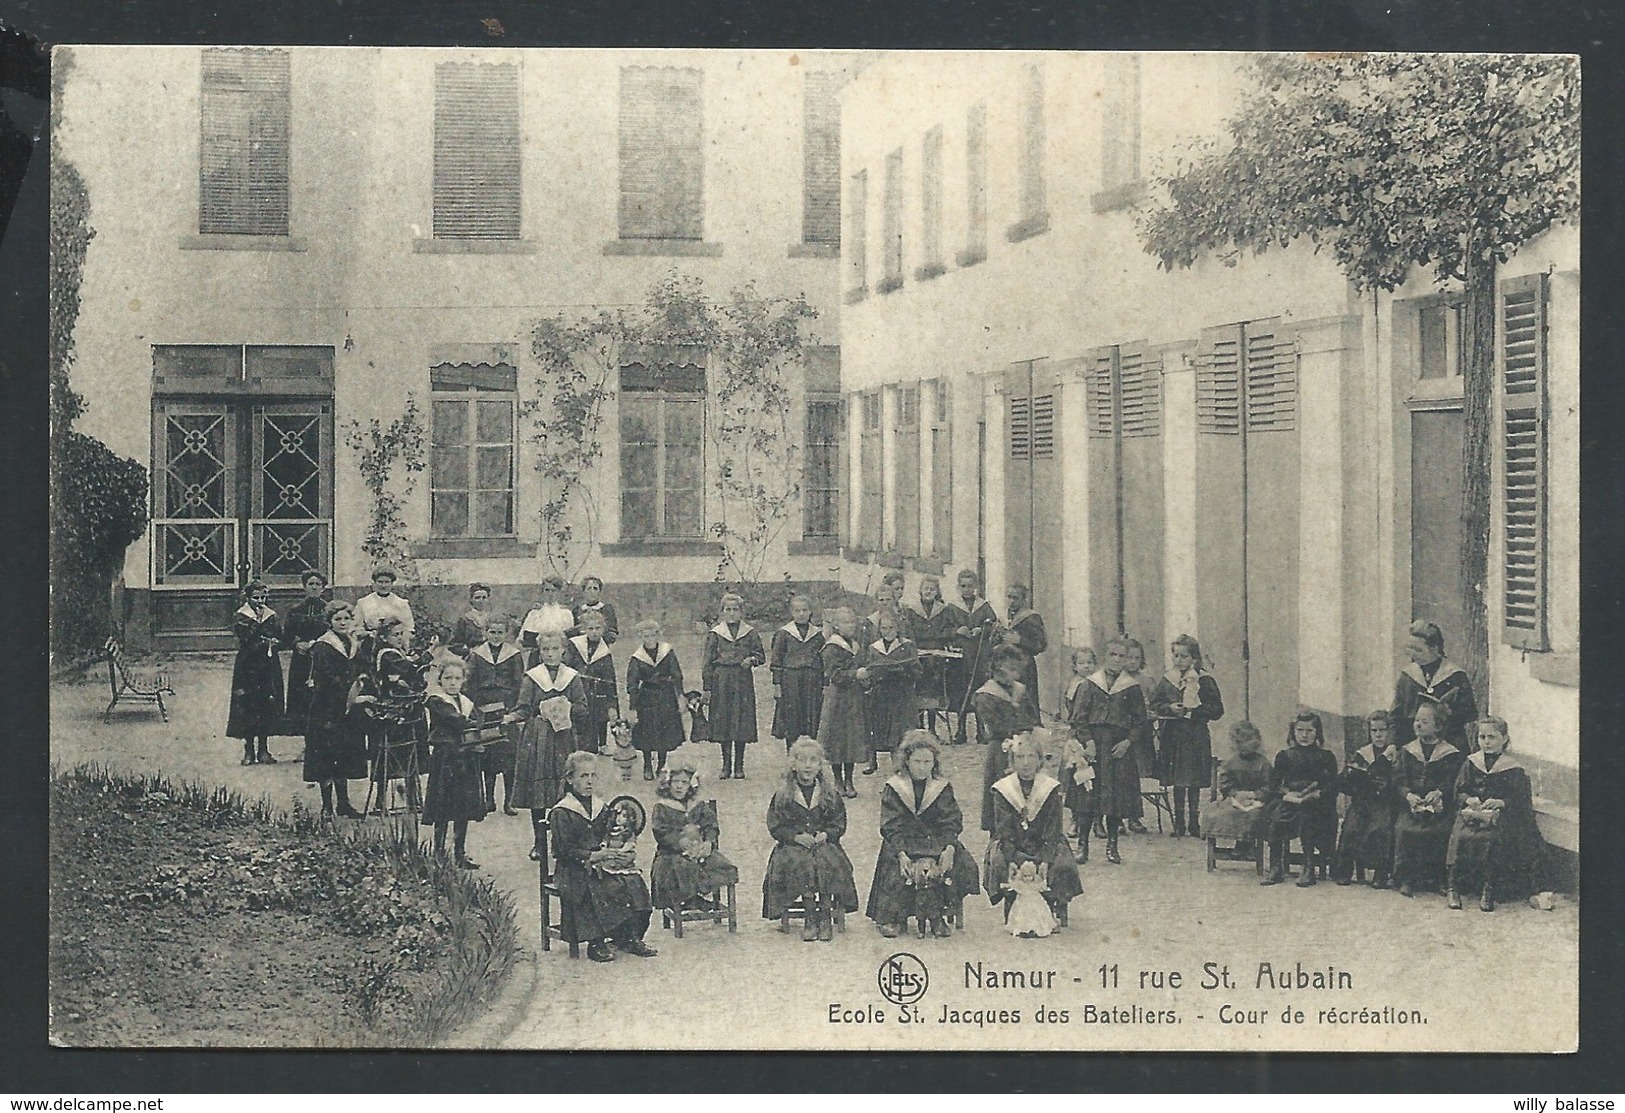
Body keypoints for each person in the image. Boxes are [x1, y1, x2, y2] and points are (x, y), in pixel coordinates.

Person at [866, 731, 980, 939]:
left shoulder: (941, 787)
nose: (922, 766)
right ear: (906, 761)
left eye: (927, 761)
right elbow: (891, 825)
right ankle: (895, 917)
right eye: (917, 761)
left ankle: (938, 914)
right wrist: (901, 852)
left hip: (935, 841)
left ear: (934, 763)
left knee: (957, 864)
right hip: (905, 842)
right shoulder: (895, 787)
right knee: (895, 866)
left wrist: (949, 847)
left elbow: (951, 820)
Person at [550, 751, 658, 963]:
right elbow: (563, 850)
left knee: (633, 881)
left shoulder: (600, 807)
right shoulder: (562, 811)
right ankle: (596, 941)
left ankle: (629, 936)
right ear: (570, 779)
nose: (589, 781)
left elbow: (612, 832)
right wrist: (593, 856)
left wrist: (621, 843)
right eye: (583, 776)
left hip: (602, 862)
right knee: (597, 886)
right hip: (573, 867)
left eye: (592, 775)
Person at [763, 737, 859, 942]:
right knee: (801, 862)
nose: (807, 765)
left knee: (828, 861)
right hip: (792, 846)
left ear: (820, 765)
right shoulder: (783, 795)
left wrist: (826, 834)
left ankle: (824, 913)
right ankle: (809, 914)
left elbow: (839, 823)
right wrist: (795, 837)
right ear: (793, 764)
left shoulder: (830, 794)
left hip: (823, 843)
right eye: (802, 760)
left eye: (813, 760)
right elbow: (775, 825)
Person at [984, 730, 1083, 931]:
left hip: (1044, 841)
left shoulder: (1050, 788)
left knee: (1062, 863)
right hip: (1013, 842)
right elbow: (1003, 828)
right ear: (1012, 761)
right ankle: (1012, 902)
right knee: (999, 862)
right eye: (1020, 757)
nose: (1026, 763)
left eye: (1031, 757)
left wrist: (1045, 858)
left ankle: (1055, 902)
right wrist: (1011, 858)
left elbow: (1054, 827)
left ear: (1039, 760)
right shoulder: (1003, 790)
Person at [1446, 716, 1543, 912]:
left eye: (1492, 737)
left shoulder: (1513, 768)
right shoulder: (1471, 763)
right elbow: (1459, 790)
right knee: (1459, 834)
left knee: (1492, 839)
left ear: (1504, 739)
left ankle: (1488, 888)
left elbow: (1522, 800)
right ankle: (1452, 887)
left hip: (1501, 817)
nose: (1486, 742)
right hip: (1471, 813)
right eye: (1482, 737)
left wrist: (1501, 802)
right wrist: (1468, 799)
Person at [1067, 638, 1149, 864]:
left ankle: (1112, 846)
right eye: (1113, 654)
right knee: (1087, 797)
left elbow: (1141, 721)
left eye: (1121, 656)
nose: (1117, 659)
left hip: (1117, 748)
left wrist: (1128, 743)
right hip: (1093, 747)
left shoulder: (1131, 687)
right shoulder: (1089, 684)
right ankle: (1082, 846)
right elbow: (1079, 718)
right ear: (1105, 656)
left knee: (1116, 800)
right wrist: (1088, 742)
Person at [512, 630, 590, 867]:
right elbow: (524, 707)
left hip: (563, 739)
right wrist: (513, 716)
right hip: (539, 738)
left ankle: (563, 840)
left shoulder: (571, 677)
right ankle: (539, 842)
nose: (550, 654)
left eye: (555, 649)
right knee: (540, 791)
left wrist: (566, 707)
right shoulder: (532, 677)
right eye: (545, 649)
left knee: (564, 787)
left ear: (563, 651)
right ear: (539, 652)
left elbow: (583, 708)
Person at [354, 617, 436, 814]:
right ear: (384, 637)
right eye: (395, 635)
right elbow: (410, 669)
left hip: (407, 709)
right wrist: (429, 653)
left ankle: (413, 798)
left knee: (411, 753)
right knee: (391, 755)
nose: (400, 638)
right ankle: (381, 800)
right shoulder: (388, 654)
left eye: (402, 634)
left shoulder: (399, 652)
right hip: (393, 710)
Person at [1150, 635, 1224, 839]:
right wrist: (1170, 708)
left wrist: (1194, 711)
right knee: (1177, 781)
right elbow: (1154, 703)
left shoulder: (1204, 679)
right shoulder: (1168, 680)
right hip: (1172, 735)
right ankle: (1179, 823)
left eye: (1184, 656)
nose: (1179, 660)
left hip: (1194, 735)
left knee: (1192, 780)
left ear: (1194, 657)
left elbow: (1217, 709)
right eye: (1176, 655)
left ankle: (1194, 821)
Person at [1391, 702, 1467, 898]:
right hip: (1412, 804)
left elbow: (1453, 780)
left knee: (1441, 831)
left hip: (1440, 806)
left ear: (1438, 726)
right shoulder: (1407, 751)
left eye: (1424, 721)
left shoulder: (1450, 754)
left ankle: (1439, 878)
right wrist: (1408, 794)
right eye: (1416, 720)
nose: (1417, 724)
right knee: (1405, 829)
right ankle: (1407, 878)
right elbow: (1398, 779)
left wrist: (1440, 792)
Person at [650, 753, 739, 918]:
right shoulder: (662, 807)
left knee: (723, 866)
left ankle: (698, 898)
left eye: (684, 782)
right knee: (682, 867)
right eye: (675, 782)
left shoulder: (697, 805)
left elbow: (711, 825)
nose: (679, 787)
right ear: (668, 784)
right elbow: (660, 833)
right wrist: (680, 843)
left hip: (699, 850)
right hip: (671, 855)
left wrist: (709, 842)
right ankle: (691, 899)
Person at [1260, 711, 1341, 887]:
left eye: (1310, 731)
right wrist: (1287, 794)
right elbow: (1274, 784)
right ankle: (1275, 866)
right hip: (1290, 801)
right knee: (1275, 818)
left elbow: (1332, 786)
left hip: (1315, 803)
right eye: (1300, 730)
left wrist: (1316, 794)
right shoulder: (1285, 756)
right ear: (1293, 732)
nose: (1304, 735)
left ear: (1317, 733)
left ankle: (1308, 865)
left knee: (1307, 818)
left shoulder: (1326, 757)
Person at [302, 600, 366, 819]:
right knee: (326, 756)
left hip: (347, 708)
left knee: (344, 754)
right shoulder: (323, 646)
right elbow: (327, 677)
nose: (342, 623)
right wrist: (347, 690)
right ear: (329, 622)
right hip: (326, 708)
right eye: (337, 619)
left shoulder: (351, 642)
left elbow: (361, 667)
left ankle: (344, 803)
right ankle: (327, 805)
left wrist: (362, 683)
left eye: (346, 619)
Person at [421, 660, 486, 869]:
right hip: (446, 759)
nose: (453, 682)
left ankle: (460, 852)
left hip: (465, 759)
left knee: (463, 807)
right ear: (440, 679)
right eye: (448, 678)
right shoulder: (436, 701)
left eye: (458, 678)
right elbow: (456, 720)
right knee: (443, 806)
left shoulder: (466, 701)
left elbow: (477, 720)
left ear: (464, 680)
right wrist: (474, 723)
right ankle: (439, 852)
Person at [975, 645, 1042, 832]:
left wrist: (1028, 729)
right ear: (997, 667)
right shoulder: (985, 694)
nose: (1016, 675)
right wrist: (1015, 711)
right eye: (1011, 670)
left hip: (1023, 747)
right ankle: (998, 834)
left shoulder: (1020, 690)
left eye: (1018, 671)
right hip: (1000, 749)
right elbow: (995, 726)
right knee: (1001, 787)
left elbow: (1032, 716)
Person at [1333, 710, 1401, 887]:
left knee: (1381, 828)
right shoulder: (1362, 754)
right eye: (1374, 731)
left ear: (1390, 732)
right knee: (1351, 827)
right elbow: (1346, 782)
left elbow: (1399, 782)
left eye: (1382, 730)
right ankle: (1344, 870)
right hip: (1362, 801)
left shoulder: (1396, 754)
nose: (1378, 735)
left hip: (1385, 802)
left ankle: (1381, 872)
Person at [702, 593, 766, 781]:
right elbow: (707, 662)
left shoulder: (750, 632)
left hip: (741, 679)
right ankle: (726, 765)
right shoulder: (715, 633)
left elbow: (761, 655)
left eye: (735, 609)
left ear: (741, 612)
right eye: (727, 609)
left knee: (740, 720)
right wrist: (707, 687)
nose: (731, 613)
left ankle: (739, 765)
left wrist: (752, 660)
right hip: (721, 679)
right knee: (723, 720)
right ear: (722, 612)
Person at [467, 616, 525, 815]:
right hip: (484, 709)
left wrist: (515, 709)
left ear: (506, 633)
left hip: (506, 709)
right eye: (492, 632)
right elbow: (469, 683)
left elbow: (519, 683)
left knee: (509, 755)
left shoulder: (514, 655)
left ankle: (509, 802)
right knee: (488, 756)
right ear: (485, 633)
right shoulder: (476, 655)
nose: (496, 636)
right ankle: (489, 799)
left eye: (500, 632)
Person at [1392, 619, 1478, 751]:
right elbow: (1396, 714)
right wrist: (1393, 744)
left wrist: (1448, 713)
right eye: (1410, 648)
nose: (1413, 654)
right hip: (1413, 744)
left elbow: (1470, 712)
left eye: (1418, 650)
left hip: (1449, 743)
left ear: (1434, 649)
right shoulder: (1407, 676)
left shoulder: (1455, 675)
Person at [227, 580, 285, 766]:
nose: (260, 601)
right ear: (248, 598)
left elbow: (280, 636)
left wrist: (275, 641)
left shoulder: (271, 615)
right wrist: (262, 635)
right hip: (248, 665)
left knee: (267, 702)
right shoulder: (241, 615)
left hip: (268, 664)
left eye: (263, 597)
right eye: (256, 598)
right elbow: (245, 638)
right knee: (248, 704)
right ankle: (249, 749)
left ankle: (264, 749)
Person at [862, 607, 922, 776]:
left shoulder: (907, 646)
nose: (887, 632)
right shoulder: (874, 648)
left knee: (900, 729)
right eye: (884, 629)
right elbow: (869, 669)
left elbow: (917, 671)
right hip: (881, 694)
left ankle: (899, 762)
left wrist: (903, 671)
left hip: (901, 694)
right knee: (879, 727)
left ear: (898, 628)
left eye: (891, 628)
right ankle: (873, 760)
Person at [817, 606, 869, 798]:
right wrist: (855, 674)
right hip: (838, 698)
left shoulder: (856, 645)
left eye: (853, 622)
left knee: (852, 739)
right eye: (846, 622)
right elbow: (834, 674)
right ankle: (838, 780)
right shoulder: (831, 647)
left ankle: (849, 779)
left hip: (854, 697)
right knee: (837, 740)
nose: (850, 626)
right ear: (836, 625)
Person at [626, 619, 685, 780]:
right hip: (646, 698)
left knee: (664, 731)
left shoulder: (667, 651)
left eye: (653, 635)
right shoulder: (638, 657)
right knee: (647, 731)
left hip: (666, 695)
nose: (650, 638)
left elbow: (677, 675)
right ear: (641, 637)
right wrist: (633, 706)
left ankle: (661, 764)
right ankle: (647, 764)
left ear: (658, 635)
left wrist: (680, 695)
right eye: (646, 635)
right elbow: (632, 682)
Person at [948, 570, 999, 746]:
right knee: (961, 692)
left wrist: (981, 630)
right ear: (958, 587)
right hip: (961, 655)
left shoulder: (983, 606)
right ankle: (960, 730)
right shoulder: (952, 607)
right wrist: (957, 631)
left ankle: (980, 730)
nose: (967, 589)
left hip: (979, 654)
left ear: (976, 587)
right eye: (963, 586)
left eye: (970, 586)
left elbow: (993, 625)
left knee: (979, 691)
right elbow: (945, 628)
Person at [1204, 720, 1271, 853]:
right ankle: (1239, 844)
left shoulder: (1263, 764)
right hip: (1234, 798)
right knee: (1225, 812)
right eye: (1239, 743)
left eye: (1248, 743)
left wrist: (1254, 795)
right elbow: (1225, 783)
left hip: (1257, 800)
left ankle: (1247, 843)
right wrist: (1235, 793)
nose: (1244, 747)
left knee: (1254, 814)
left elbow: (1269, 785)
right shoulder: (1230, 762)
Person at [905, 576, 958, 736]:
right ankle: (920, 726)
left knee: (934, 690)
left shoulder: (944, 610)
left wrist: (938, 636)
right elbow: (909, 632)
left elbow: (951, 630)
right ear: (920, 591)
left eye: (932, 589)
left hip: (937, 657)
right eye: (926, 588)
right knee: (919, 689)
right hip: (918, 655)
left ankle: (933, 727)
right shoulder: (912, 610)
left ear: (937, 592)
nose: (928, 592)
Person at [281, 569, 331, 741]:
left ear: (324, 588)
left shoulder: (329, 609)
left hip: (322, 659)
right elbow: (287, 634)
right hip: (301, 660)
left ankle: (322, 742)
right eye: (311, 584)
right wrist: (296, 643)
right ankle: (306, 742)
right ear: (304, 587)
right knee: (302, 698)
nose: (314, 587)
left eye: (318, 584)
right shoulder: (295, 610)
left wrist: (319, 645)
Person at [770, 595, 825, 748]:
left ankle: (811, 758)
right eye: (797, 610)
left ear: (810, 612)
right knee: (792, 721)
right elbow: (776, 661)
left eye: (804, 610)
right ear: (791, 612)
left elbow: (823, 660)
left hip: (812, 680)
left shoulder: (818, 634)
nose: (801, 614)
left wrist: (824, 683)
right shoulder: (784, 633)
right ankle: (793, 760)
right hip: (791, 680)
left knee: (812, 719)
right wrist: (777, 685)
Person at [565, 608, 620, 752]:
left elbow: (609, 678)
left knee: (599, 716)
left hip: (597, 690)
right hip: (579, 689)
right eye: (591, 628)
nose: (594, 632)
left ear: (603, 629)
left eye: (598, 628)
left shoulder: (604, 651)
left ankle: (602, 743)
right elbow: (567, 666)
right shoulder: (575, 645)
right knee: (579, 718)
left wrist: (612, 705)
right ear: (584, 629)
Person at [1000, 583, 1047, 712]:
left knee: (1026, 703)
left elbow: (1041, 645)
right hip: (1005, 666)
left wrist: (1020, 640)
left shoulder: (1031, 617)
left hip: (1024, 666)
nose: (1011, 601)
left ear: (1024, 599)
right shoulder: (1005, 616)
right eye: (1009, 597)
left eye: (1015, 598)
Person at [353, 565, 415, 646]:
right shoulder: (363, 603)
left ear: (392, 583)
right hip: (370, 644)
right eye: (380, 582)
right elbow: (356, 628)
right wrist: (368, 634)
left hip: (395, 645)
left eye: (387, 582)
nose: (383, 586)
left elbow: (409, 628)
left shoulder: (401, 603)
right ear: (374, 582)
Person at [520, 575, 575, 664]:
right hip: (538, 655)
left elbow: (569, 639)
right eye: (547, 590)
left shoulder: (566, 613)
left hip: (560, 656)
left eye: (553, 591)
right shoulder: (534, 613)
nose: (550, 594)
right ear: (542, 592)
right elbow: (524, 639)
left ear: (559, 592)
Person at [572, 575, 620, 644]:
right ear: (583, 591)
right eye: (589, 588)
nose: (592, 591)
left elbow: (612, 633)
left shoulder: (606, 609)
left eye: (595, 588)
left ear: (599, 591)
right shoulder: (577, 610)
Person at [451, 583, 494, 655]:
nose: (481, 601)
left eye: (484, 598)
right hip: (473, 658)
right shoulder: (465, 620)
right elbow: (454, 646)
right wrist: (469, 652)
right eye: (477, 598)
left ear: (488, 599)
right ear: (471, 600)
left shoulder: (493, 619)